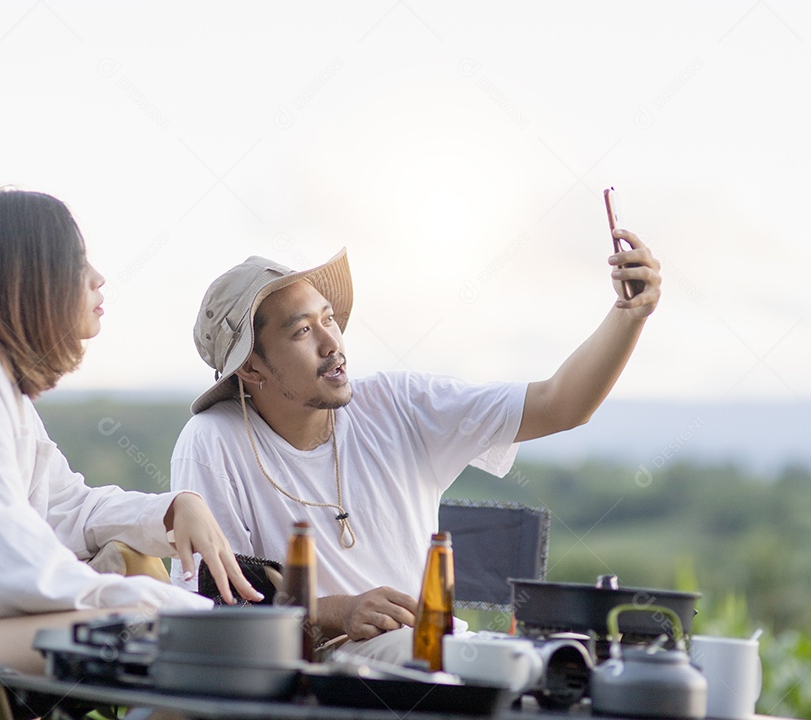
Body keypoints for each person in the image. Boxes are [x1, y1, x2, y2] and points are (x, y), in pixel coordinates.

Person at [170, 230, 661, 659]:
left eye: (328, 319)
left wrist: (629, 314)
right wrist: (336, 612)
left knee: (575, 661)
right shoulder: (214, 441)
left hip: (438, 650)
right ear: (251, 368)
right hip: (326, 672)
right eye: (302, 330)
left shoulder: (397, 403)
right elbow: (213, 607)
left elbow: (560, 405)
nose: (332, 342)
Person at [0, 189, 260, 709]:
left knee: (150, 593)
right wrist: (155, 604)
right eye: (76, 262)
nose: (97, 278)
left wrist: (168, 508)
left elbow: (65, 506)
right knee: (166, 637)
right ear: (29, 278)